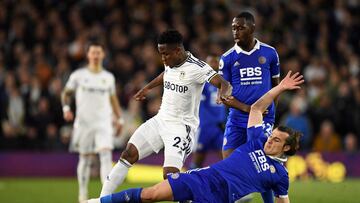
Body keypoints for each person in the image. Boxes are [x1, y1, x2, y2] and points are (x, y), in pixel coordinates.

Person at [84, 71, 304, 203]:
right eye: (271, 135)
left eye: (276, 140)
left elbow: (282, 200)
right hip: (205, 178)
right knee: (151, 195)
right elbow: (256, 109)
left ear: (286, 148)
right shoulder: (257, 140)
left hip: (222, 197)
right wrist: (281, 87)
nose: (269, 139)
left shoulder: (281, 176)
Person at [98, 29, 233, 198]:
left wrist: (223, 92)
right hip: (160, 120)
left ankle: (200, 194)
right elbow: (167, 74)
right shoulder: (170, 62)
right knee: (128, 154)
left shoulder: (198, 67)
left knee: (170, 178)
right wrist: (147, 87)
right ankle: (101, 200)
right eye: (160, 53)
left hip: (181, 128)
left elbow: (224, 83)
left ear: (178, 50)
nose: (162, 58)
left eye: (165, 54)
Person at [219, 11, 281, 202]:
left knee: (261, 162)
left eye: (241, 27)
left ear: (252, 28)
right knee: (228, 160)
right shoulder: (227, 58)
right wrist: (249, 109)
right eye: (233, 28)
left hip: (263, 119)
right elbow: (224, 94)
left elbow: (276, 86)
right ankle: (240, 196)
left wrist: (269, 115)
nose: (236, 32)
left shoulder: (270, 53)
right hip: (237, 118)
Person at [61, 42, 124, 203]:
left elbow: (113, 99)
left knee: (105, 155)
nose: (96, 56)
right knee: (85, 159)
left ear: (103, 55)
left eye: (98, 53)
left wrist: (120, 119)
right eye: (93, 53)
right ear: (88, 55)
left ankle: (105, 196)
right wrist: (66, 108)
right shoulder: (78, 76)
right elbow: (66, 93)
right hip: (84, 123)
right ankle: (82, 194)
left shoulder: (108, 78)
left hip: (103, 122)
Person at [189, 55, 227, 169]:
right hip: (205, 126)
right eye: (210, 62)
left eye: (215, 61)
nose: (213, 64)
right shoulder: (203, 82)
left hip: (219, 127)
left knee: (226, 159)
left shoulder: (224, 82)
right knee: (197, 160)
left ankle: (232, 183)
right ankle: (188, 183)